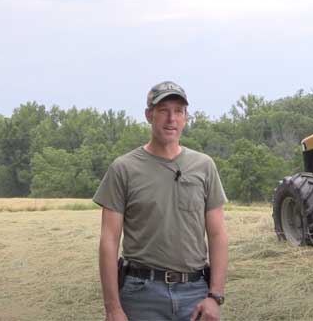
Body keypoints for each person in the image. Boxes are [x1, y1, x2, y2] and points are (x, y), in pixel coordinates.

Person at [94, 81, 228, 321]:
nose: (171, 119)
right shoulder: (123, 169)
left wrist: (215, 296)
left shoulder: (204, 166)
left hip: (195, 294)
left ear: (186, 117)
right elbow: (109, 240)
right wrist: (113, 308)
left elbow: (218, 235)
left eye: (178, 111)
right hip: (141, 294)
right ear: (149, 115)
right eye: (163, 110)